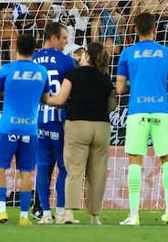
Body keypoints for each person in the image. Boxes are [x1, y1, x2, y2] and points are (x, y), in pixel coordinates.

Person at [116, 11, 168, 226]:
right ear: (154, 29)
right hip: (161, 110)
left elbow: (118, 88)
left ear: (135, 29)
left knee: (135, 160)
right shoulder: (167, 53)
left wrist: (136, 82)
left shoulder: (127, 54)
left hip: (137, 111)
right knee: (167, 160)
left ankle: (134, 215)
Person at [0, 32, 50, 226]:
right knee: (26, 172)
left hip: (8, 127)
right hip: (30, 129)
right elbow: (46, 98)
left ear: (16, 47)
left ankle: (1, 211)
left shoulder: (6, 70)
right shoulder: (41, 72)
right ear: (34, 50)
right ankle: (23, 216)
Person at [48, 42, 116, 225]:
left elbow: (60, 99)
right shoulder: (105, 78)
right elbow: (112, 105)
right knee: (98, 172)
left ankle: (69, 213)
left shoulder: (74, 74)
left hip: (77, 125)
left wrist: (45, 98)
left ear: (87, 56)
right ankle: (95, 216)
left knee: (75, 170)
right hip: (101, 127)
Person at [33, 22, 76, 223]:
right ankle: (61, 212)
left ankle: (45, 214)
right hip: (60, 121)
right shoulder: (67, 62)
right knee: (64, 167)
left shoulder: (33, 59)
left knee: (42, 167)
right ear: (53, 38)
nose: (67, 42)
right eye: (64, 38)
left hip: (38, 121)